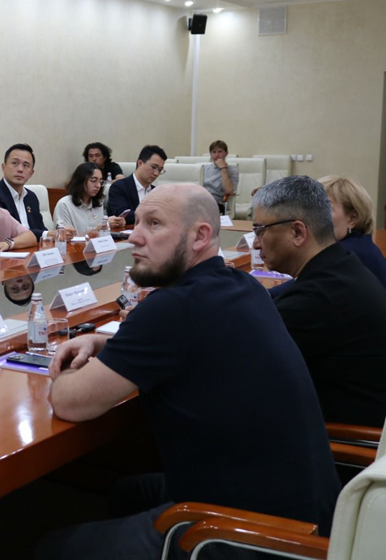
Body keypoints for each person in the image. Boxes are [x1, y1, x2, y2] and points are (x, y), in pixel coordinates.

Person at [37, 184, 339, 559]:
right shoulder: (243, 285)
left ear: (199, 236)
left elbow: (70, 402)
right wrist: (104, 344)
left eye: (154, 223)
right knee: (127, 491)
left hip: (254, 536)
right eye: (137, 222)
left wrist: (67, 369)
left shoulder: (171, 309)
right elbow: (191, 343)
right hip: (314, 516)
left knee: (53, 548)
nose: (135, 236)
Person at [252, 176, 386, 428]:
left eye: (260, 230)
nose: (256, 243)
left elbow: (242, 361)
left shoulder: (319, 297)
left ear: (297, 232)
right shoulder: (341, 264)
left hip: (348, 440)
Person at [320, 175, 386, 289]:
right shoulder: (363, 245)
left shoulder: (344, 255)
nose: (314, 215)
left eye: (325, 208)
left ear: (352, 219)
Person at [0, 143, 48, 242]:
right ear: (3, 167)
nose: (20, 169)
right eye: (15, 163)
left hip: (33, 248)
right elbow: (10, 233)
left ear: (31, 173)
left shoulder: (31, 197)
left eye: (26, 165)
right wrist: (46, 234)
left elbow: (40, 228)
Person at [54, 163, 126, 235]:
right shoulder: (64, 204)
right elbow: (65, 237)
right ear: (80, 181)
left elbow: (101, 235)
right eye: (93, 181)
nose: (98, 185)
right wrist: (96, 230)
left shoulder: (98, 204)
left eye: (101, 182)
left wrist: (115, 224)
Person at [106, 144, 167, 225]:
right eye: (153, 167)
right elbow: (123, 215)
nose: (156, 173)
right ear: (140, 163)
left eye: (160, 170)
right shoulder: (119, 187)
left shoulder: (156, 191)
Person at [203, 140, 239, 214]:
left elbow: (229, 190)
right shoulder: (204, 168)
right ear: (210, 154)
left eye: (220, 152)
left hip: (217, 203)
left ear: (226, 153)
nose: (217, 155)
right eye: (214, 152)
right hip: (202, 199)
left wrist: (223, 168)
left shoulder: (232, 170)